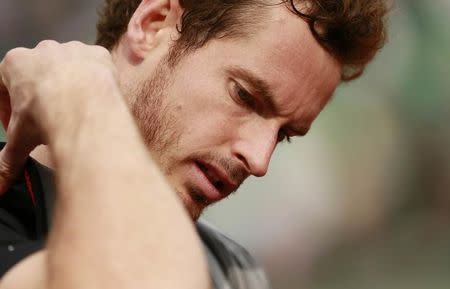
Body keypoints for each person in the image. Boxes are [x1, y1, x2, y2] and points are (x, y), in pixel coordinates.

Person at [0, 0, 388, 288]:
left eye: (284, 135)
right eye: (245, 96)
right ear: (152, 24)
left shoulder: (232, 269)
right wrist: (83, 98)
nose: (259, 159)